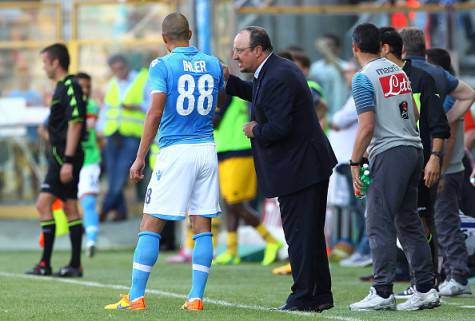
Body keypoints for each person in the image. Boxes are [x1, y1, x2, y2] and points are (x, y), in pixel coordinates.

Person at [105, 13, 223, 311]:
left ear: (163, 38)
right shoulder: (213, 63)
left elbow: (155, 112)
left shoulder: (162, 65)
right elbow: (218, 103)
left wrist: (140, 156)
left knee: (151, 222)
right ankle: (196, 298)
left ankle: (135, 297)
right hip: (207, 148)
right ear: (191, 33)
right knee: (202, 224)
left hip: (175, 150)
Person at [225, 26, 337, 312]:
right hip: (303, 165)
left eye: (240, 51)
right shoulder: (273, 71)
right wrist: (230, 82)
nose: (235, 56)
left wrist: (254, 129)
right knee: (308, 234)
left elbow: (279, 127)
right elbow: (260, 96)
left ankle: (302, 297)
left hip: (301, 168)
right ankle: (320, 294)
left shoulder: (278, 74)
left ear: (258, 50)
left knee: (300, 234)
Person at [348, 23, 439, 311]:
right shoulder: (398, 71)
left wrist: (354, 161)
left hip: (389, 153)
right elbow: (413, 112)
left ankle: (383, 290)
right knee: (408, 221)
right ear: (381, 46)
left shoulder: (363, 77)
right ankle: (426, 288)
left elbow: (367, 125)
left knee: (379, 220)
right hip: (413, 149)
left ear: (355, 48)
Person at [379, 27, 450, 298]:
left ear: (386, 49)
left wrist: (435, 158)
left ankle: (425, 281)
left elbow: (438, 124)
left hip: (419, 160)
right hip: (392, 161)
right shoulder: (381, 79)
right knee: (404, 221)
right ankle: (421, 280)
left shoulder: (421, 78)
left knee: (418, 221)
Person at [25, 43, 86, 277]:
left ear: (55, 62)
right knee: (70, 207)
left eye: (45, 63)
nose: (43, 68)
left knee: (43, 204)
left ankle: (46, 264)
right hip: (60, 155)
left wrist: (68, 160)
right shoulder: (61, 87)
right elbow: (62, 123)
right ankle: (73, 264)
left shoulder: (70, 85)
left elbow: (76, 122)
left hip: (64, 158)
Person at [212, 94, 282, 266]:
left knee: (235, 204)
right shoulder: (225, 93)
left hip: (237, 152)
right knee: (231, 203)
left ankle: (271, 240)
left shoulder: (224, 93)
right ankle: (232, 251)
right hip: (228, 151)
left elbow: (214, 122)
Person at [426, 48, 473, 296]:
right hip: (450, 168)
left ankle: (458, 277)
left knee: (446, 223)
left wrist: (441, 171)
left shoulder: (449, 95)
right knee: (442, 222)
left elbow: (450, 132)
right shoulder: (450, 92)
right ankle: (450, 275)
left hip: (448, 169)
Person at [99, 54, 148, 222]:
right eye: (115, 70)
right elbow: (106, 110)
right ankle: (120, 212)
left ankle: (103, 210)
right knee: (113, 174)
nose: (119, 72)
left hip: (132, 135)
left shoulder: (143, 79)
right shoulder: (112, 84)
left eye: (121, 68)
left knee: (120, 174)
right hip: (112, 134)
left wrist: (137, 107)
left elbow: (153, 104)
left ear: (127, 65)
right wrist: (101, 131)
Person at [400, 27, 475, 124]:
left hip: (401, 136)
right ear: (423, 47)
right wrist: (444, 121)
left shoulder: (395, 72)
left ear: (402, 48)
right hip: (434, 136)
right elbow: (469, 94)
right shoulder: (439, 73)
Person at [76, 72, 102, 257]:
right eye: (81, 87)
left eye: (88, 87)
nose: (85, 91)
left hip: (89, 159)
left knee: (88, 201)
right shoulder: (62, 107)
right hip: (68, 162)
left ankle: (91, 239)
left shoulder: (91, 106)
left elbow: (91, 129)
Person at [309, 34, 349, 122]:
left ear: (338, 49)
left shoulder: (345, 66)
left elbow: (343, 72)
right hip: (323, 118)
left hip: (341, 117)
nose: (326, 48)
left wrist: (327, 52)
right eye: (324, 45)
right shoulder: (315, 67)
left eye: (330, 45)